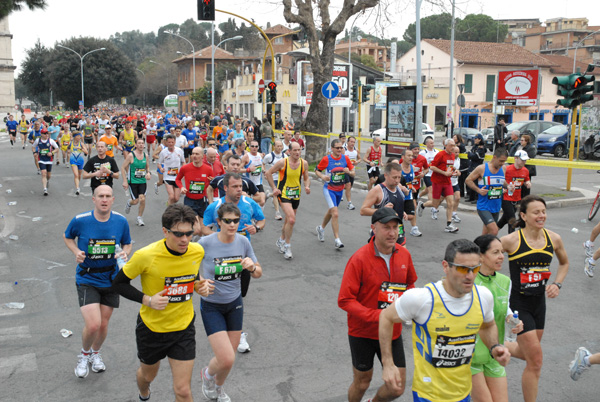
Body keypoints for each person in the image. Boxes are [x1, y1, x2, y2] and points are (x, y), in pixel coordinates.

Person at [379, 239, 511, 402]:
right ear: (446, 266)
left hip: (462, 393)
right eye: (463, 269)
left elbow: (487, 326)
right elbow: (386, 317)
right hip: (428, 395)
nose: (470, 276)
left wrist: (494, 346)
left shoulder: (483, 297)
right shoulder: (423, 299)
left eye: (475, 268)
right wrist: (388, 363)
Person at [112, 204, 210, 402]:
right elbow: (119, 284)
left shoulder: (197, 251)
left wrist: (199, 285)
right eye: (178, 234)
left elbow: (192, 275)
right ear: (165, 231)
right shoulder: (145, 256)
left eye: (189, 233)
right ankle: (144, 393)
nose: (184, 240)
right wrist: (147, 300)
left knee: (183, 391)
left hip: (183, 328)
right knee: (148, 376)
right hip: (152, 329)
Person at [338, 208, 417, 402]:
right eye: (386, 228)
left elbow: (411, 284)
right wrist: (378, 316)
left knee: (396, 387)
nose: (392, 233)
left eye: (395, 228)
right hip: (363, 333)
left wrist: (410, 305)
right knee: (362, 382)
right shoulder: (359, 259)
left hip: (393, 333)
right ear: (374, 229)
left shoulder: (404, 254)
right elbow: (345, 300)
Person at [500, 195, 569, 402]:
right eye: (536, 212)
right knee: (536, 361)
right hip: (518, 304)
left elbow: (564, 263)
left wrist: (557, 284)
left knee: (528, 353)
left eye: (544, 212)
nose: (541, 216)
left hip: (539, 303)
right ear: (524, 215)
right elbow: (483, 254)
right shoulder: (511, 240)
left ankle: (495, 345)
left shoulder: (553, 239)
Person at [63, 185, 132, 379]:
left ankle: (96, 353)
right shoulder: (81, 220)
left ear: (113, 199)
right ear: (93, 199)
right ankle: (84, 355)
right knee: (93, 324)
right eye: (100, 196)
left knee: (103, 325)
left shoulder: (120, 221)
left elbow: (127, 242)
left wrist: (125, 252)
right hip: (87, 277)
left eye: (108, 196)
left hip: (111, 278)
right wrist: (76, 252)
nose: (104, 199)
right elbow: (67, 237)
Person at [198, 203, 263, 402]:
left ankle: (218, 387)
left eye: (236, 221)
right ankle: (207, 375)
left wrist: (252, 267)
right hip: (211, 305)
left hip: (234, 303)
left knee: (230, 358)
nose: (232, 225)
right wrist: (199, 281)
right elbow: (187, 268)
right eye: (228, 221)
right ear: (218, 222)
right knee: (225, 357)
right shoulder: (204, 243)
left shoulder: (243, 242)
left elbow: (259, 272)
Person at [203, 173, 265, 355]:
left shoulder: (249, 203)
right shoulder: (214, 206)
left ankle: (234, 330)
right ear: (225, 188)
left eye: (241, 187)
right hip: (218, 259)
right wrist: (218, 240)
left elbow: (261, 220)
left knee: (238, 294)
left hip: (243, 258)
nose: (240, 190)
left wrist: (257, 227)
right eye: (236, 187)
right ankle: (228, 331)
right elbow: (204, 227)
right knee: (219, 293)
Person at [471, 234, 524, 402]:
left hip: (495, 354)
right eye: (495, 252)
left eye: (502, 252)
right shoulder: (468, 282)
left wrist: (510, 317)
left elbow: (504, 304)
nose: (501, 256)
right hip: (470, 357)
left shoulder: (505, 281)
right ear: (480, 256)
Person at [266, 141, 311, 259]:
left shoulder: (304, 163)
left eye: (299, 150)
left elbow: (306, 178)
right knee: (291, 220)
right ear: (289, 151)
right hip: (284, 194)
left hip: (296, 195)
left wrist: (307, 186)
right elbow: (268, 173)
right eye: (295, 150)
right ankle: (288, 245)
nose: (297, 152)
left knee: (288, 221)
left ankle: (281, 240)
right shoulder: (282, 162)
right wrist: (274, 188)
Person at [315, 139, 355, 249]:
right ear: (332, 148)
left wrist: (349, 172)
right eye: (337, 147)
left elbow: (353, 172)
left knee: (332, 210)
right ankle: (337, 239)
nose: (339, 149)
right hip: (329, 189)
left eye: (341, 147)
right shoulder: (327, 159)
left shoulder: (345, 158)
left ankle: (321, 228)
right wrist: (323, 176)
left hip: (339, 190)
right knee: (335, 213)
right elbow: (317, 170)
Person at [361, 161, 411, 247]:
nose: (397, 180)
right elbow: (363, 210)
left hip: (398, 229)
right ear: (385, 175)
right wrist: (382, 210)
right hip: (383, 230)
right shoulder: (377, 190)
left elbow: (397, 203)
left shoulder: (398, 187)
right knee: (381, 259)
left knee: (402, 257)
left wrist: (401, 211)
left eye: (399, 177)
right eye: (394, 177)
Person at [417, 138, 459, 233]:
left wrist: (455, 171)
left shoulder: (452, 155)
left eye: (454, 145)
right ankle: (422, 205)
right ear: (446, 146)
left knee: (450, 203)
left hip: (447, 182)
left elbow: (450, 167)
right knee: (435, 204)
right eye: (451, 145)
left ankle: (449, 224)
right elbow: (432, 167)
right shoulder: (440, 154)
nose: (453, 147)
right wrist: (444, 173)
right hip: (437, 182)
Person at [466, 147, 509, 236]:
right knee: (494, 231)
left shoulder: (503, 168)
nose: (502, 163)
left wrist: (508, 186)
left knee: (486, 234)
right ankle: (491, 249)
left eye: (504, 161)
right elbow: (468, 180)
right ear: (494, 157)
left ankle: (480, 249)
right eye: (501, 161)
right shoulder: (482, 168)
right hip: (484, 206)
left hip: (496, 205)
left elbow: (501, 181)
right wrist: (479, 190)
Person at [176, 147, 213, 236]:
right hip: (190, 201)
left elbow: (211, 184)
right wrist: (181, 187)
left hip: (202, 201)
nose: (194, 156)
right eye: (193, 154)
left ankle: (195, 244)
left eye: (197, 154)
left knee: (203, 231)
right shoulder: (185, 168)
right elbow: (178, 179)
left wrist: (211, 181)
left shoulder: (208, 169)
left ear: (202, 156)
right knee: (197, 229)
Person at [497, 150, 531, 234]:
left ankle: (493, 231)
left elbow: (527, 180)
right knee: (512, 219)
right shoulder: (507, 169)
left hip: (517, 198)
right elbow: (499, 180)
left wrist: (528, 183)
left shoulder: (525, 170)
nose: (524, 162)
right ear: (515, 158)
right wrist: (502, 188)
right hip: (506, 197)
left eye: (525, 160)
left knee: (505, 218)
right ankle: (512, 240)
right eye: (522, 160)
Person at [122, 138, 151, 226]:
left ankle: (139, 218)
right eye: (139, 143)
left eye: (142, 143)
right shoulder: (131, 155)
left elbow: (147, 167)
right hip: (133, 181)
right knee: (135, 201)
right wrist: (125, 181)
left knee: (142, 199)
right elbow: (123, 167)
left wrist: (148, 173)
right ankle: (129, 202)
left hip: (142, 181)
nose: (141, 145)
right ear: (135, 145)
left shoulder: (145, 155)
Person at [262, 140, 287, 220]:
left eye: (281, 146)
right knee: (276, 194)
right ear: (274, 146)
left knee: (281, 194)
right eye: (278, 146)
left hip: (282, 179)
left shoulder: (285, 156)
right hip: (272, 178)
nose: (279, 148)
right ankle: (277, 213)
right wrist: (265, 172)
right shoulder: (269, 156)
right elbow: (263, 164)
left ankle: (268, 195)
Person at [158, 134, 186, 205]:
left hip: (177, 177)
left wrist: (184, 172)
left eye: (172, 142)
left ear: (175, 142)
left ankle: (169, 203)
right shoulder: (163, 152)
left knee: (176, 198)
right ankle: (169, 211)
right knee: (171, 196)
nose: (170, 144)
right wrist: (161, 168)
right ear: (166, 142)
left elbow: (183, 162)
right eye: (169, 142)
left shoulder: (179, 151)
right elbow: (159, 163)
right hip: (167, 176)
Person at [32, 128, 59, 196]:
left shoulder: (51, 141)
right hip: (41, 159)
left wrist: (52, 153)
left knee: (48, 175)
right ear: (41, 134)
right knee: (43, 173)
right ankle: (45, 189)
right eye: (44, 133)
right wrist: (34, 152)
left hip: (49, 160)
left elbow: (57, 148)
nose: (46, 135)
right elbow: (33, 147)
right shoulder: (38, 140)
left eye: (47, 133)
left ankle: (47, 181)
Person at [466, 134, 487, 203]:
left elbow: (475, 156)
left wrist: (470, 154)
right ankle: (471, 197)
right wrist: (470, 154)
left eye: (476, 138)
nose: (474, 140)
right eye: (474, 138)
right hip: (472, 166)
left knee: (476, 183)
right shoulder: (475, 147)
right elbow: (469, 155)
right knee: (470, 182)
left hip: (477, 167)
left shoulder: (482, 148)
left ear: (480, 139)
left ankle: (476, 198)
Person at [344, 136, 361, 210]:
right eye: (351, 141)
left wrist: (357, 162)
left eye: (354, 142)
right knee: (348, 185)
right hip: (345, 170)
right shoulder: (343, 150)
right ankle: (349, 203)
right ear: (347, 142)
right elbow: (339, 159)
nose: (352, 143)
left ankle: (340, 188)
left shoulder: (356, 150)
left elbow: (360, 158)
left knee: (349, 187)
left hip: (352, 171)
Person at [418, 137, 438, 203]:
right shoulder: (423, 153)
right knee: (431, 189)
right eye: (431, 143)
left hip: (435, 174)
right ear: (427, 144)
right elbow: (419, 162)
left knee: (427, 189)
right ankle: (432, 205)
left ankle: (419, 195)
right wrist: (422, 168)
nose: (433, 144)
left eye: (433, 143)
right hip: (427, 174)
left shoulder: (436, 152)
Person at [519, 134, 537, 199]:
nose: (521, 141)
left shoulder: (531, 148)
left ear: (526, 141)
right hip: (521, 169)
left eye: (522, 140)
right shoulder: (520, 147)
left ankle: (526, 200)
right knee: (520, 187)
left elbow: (529, 158)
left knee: (526, 187)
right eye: (520, 140)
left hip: (527, 170)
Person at [449, 146, 463, 224]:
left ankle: (453, 214)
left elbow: (458, 171)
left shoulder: (458, 159)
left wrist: (458, 173)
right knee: (439, 200)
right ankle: (432, 208)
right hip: (447, 183)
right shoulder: (449, 160)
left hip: (455, 182)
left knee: (457, 198)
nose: (457, 154)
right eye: (456, 152)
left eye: (458, 152)